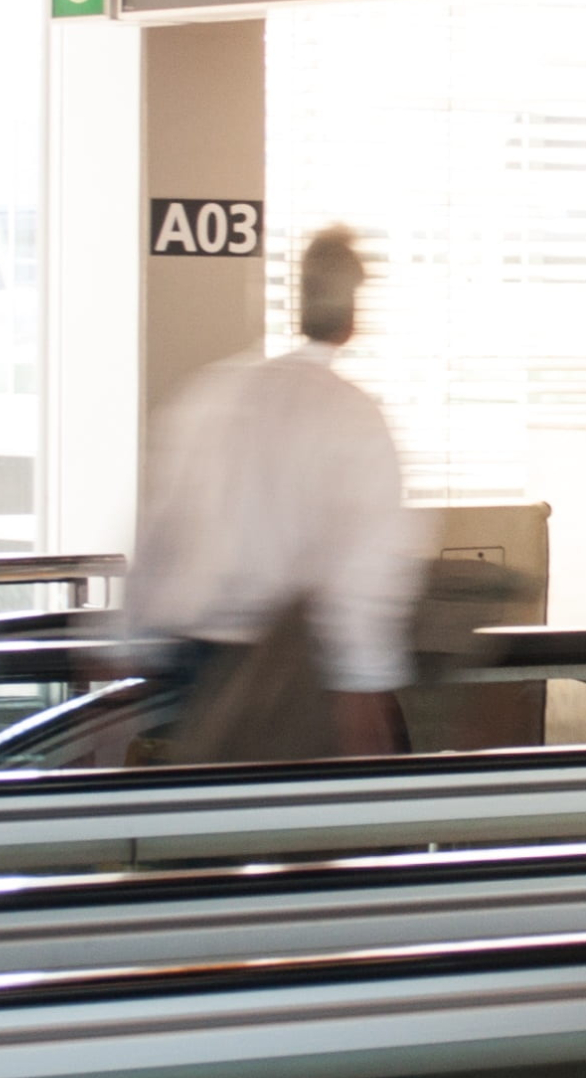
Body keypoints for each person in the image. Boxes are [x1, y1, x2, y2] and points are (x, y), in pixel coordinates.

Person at [128, 227, 428, 762]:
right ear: (353, 310)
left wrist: (126, 645)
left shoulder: (213, 395)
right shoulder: (353, 416)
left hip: (191, 673)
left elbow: (158, 537)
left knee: (202, 830)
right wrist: (362, 695)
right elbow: (366, 575)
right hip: (292, 678)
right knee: (297, 832)